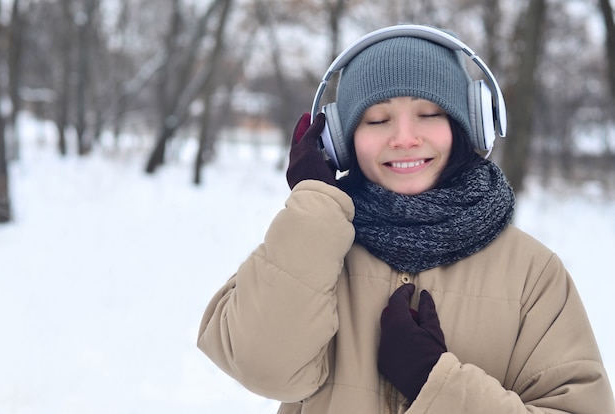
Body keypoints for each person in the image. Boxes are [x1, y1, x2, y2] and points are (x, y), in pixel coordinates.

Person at [197, 24, 615, 413]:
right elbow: (264, 366)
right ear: (339, 140)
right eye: (377, 120)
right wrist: (315, 207)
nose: (403, 138)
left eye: (430, 114)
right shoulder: (311, 249)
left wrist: (433, 383)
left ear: (469, 125)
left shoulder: (533, 274)